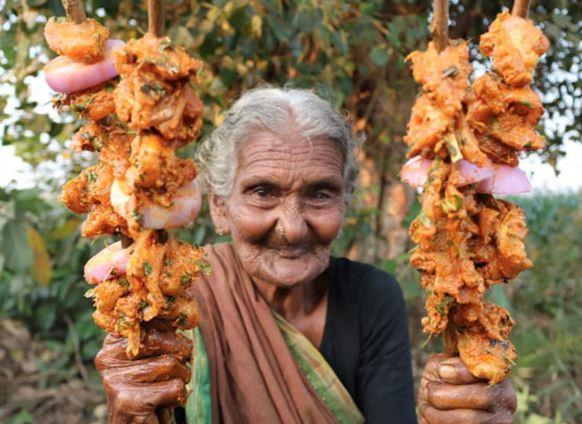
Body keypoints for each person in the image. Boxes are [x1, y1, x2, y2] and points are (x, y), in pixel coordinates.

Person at [95, 87, 517, 423]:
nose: (293, 227)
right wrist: (127, 414)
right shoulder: (171, 299)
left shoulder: (371, 296)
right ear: (219, 207)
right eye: (262, 192)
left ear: (345, 202)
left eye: (320, 194)